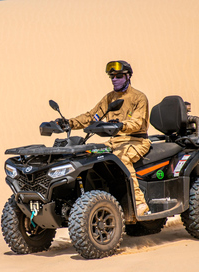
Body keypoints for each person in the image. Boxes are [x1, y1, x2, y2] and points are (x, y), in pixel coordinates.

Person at [57, 60, 151, 219]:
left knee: (122, 158)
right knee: (91, 155)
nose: (114, 79)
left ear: (128, 76)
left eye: (119, 76)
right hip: (114, 142)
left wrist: (120, 125)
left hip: (136, 141)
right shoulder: (109, 99)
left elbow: (137, 122)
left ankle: (139, 203)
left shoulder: (138, 98)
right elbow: (91, 117)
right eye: (112, 76)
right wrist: (69, 123)